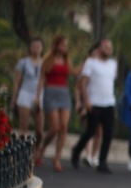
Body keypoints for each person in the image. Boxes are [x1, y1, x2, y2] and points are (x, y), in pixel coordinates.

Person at [70, 37, 118, 173]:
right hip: (94, 103)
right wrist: (86, 101)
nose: (108, 49)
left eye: (110, 47)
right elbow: (83, 83)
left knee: (108, 134)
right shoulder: (91, 63)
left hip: (109, 103)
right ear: (99, 49)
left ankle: (102, 162)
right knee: (90, 131)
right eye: (105, 47)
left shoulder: (113, 64)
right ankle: (77, 150)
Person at [36, 35, 73, 172]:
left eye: (66, 45)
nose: (65, 48)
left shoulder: (66, 60)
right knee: (55, 127)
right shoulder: (48, 60)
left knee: (63, 127)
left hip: (64, 93)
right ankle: (43, 147)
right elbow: (41, 80)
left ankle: (57, 157)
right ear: (56, 45)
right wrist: (38, 97)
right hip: (50, 92)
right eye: (63, 45)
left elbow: (73, 73)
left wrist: (87, 62)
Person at [73, 44, 103, 166]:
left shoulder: (104, 69)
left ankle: (94, 155)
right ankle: (87, 154)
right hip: (88, 103)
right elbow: (78, 87)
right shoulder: (86, 68)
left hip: (101, 104)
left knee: (99, 131)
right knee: (89, 129)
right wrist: (79, 102)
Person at [11, 36, 44, 143]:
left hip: (39, 95)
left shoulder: (45, 63)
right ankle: (22, 153)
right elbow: (17, 82)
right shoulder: (23, 62)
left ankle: (38, 151)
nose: (36, 48)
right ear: (30, 48)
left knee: (39, 130)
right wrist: (14, 99)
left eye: (38, 46)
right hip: (25, 93)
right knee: (23, 127)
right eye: (33, 46)